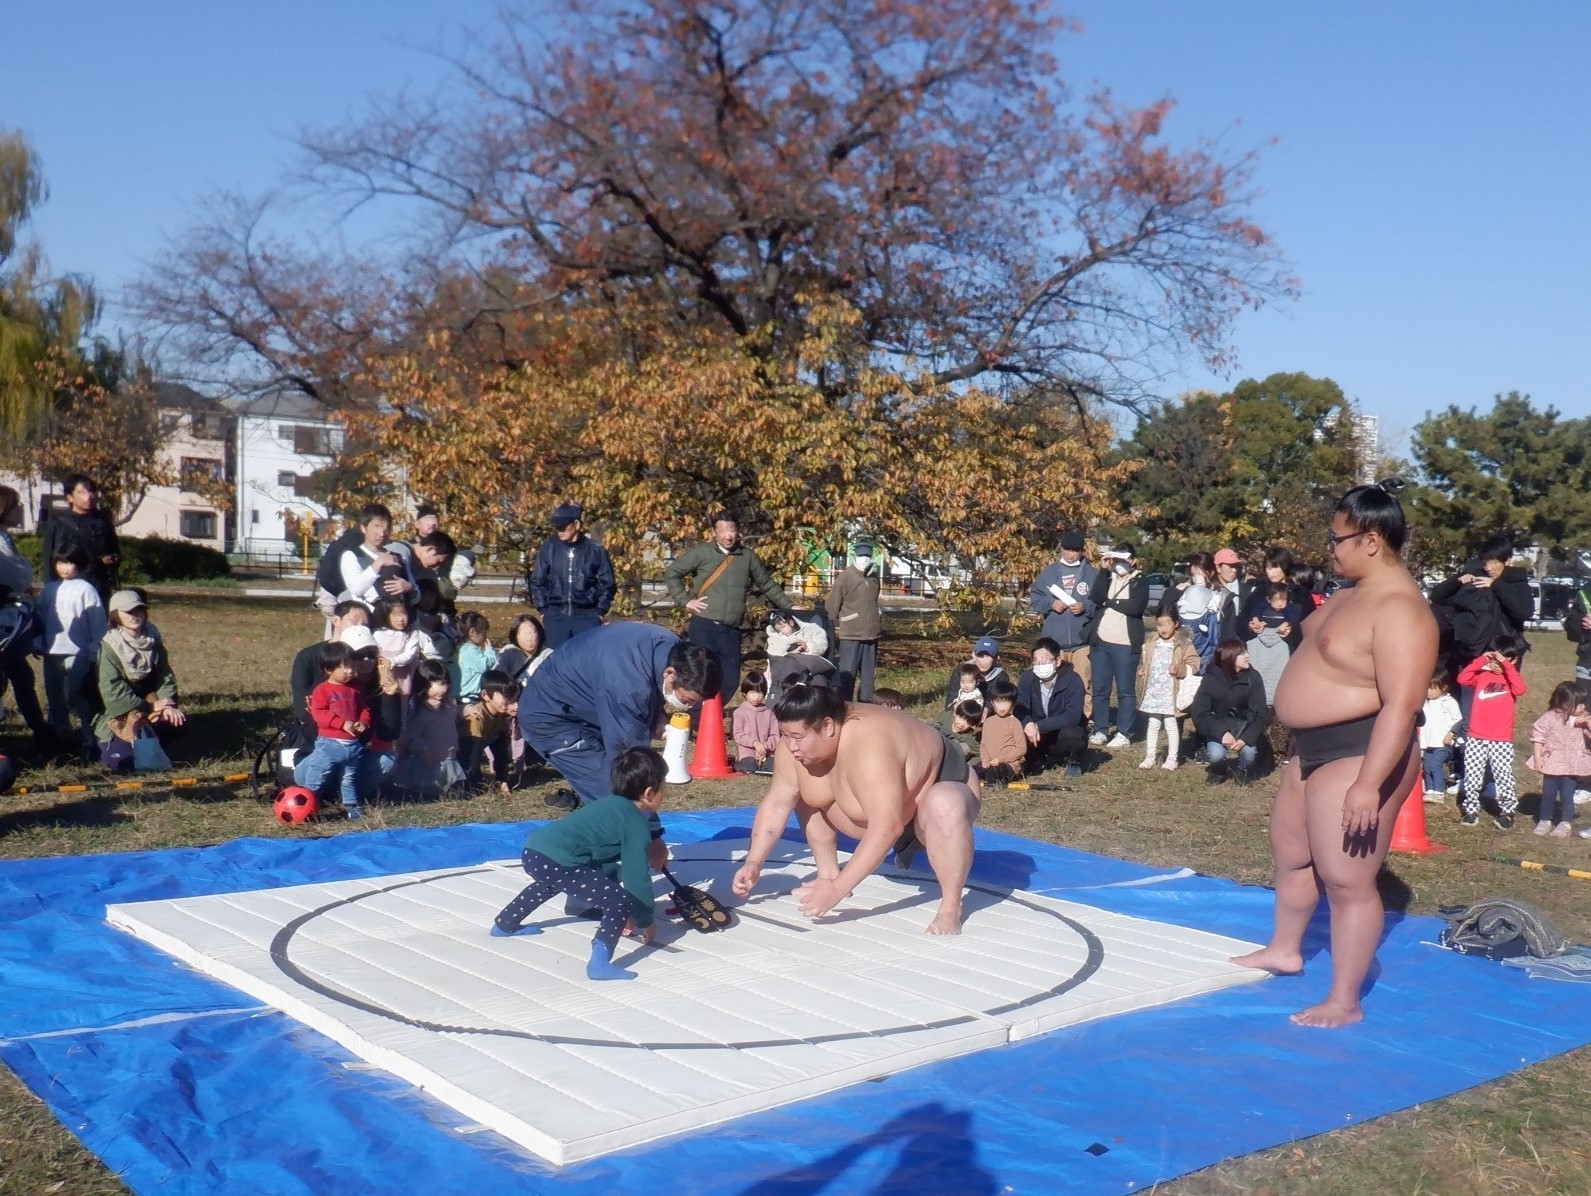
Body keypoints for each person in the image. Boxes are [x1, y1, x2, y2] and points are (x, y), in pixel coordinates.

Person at [1232, 480, 1438, 1029]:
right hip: (1310, 749)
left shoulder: (1402, 609)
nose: (1329, 546)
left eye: (1337, 537)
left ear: (1370, 540)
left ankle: (1344, 1000)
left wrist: (1369, 784)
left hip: (1360, 748)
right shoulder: (1348, 593)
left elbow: (1401, 705)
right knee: (1293, 856)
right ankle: (1284, 949)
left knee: (1347, 881)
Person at [731, 675, 981, 935]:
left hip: (938, 785)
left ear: (827, 726)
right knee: (806, 787)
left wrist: (837, 891)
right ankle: (826, 874)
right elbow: (778, 803)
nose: (791, 746)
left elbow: (888, 826)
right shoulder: (794, 745)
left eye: (798, 737)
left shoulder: (871, 745)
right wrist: (754, 862)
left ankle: (951, 907)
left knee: (944, 803)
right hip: (877, 808)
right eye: (785, 735)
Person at [517, 620, 720, 836]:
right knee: (613, 791)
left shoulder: (669, 646)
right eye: (687, 699)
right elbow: (630, 762)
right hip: (551, 717)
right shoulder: (629, 687)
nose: (690, 706)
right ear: (670, 674)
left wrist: (657, 714)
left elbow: (648, 682)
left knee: (622, 797)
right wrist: (651, 833)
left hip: (587, 701)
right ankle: (605, 854)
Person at [492, 746, 668, 980]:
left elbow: (601, 859)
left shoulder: (608, 805)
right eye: (663, 788)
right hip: (559, 860)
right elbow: (637, 877)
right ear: (648, 793)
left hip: (535, 851)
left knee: (552, 881)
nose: (665, 794)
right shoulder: (636, 823)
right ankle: (599, 964)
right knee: (619, 901)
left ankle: (505, 924)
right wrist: (645, 919)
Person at [664, 511, 793, 701]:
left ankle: (711, 715)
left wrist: (790, 606)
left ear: (737, 531)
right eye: (722, 531)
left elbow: (766, 584)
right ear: (714, 532)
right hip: (704, 624)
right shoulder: (702, 553)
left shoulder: (747, 556)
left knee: (730, 679)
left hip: (731, 629)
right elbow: (672, 572)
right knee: (701, 676)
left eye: (731, 530)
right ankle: (697, 719)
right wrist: (685, 600)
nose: (728, 535)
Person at [95, 591, 186, 771]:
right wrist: (148, 707)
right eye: (129, 612)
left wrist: (167, 705)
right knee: (120, 763)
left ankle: (153, 742)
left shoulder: (153, 638)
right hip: (119, 712)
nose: (136, 616)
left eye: (139, 611)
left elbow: (165, 676)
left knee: (177, 722)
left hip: (152, 702)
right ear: (116, 614)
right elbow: (112, 690)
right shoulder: (108, 645)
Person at [0, 484, 53, 755]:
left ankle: (42, 734)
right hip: (2, 622)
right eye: (16, 504)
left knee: (21, 675)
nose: (20, 509)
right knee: (15, 676)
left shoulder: (6, 539)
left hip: (10, 622)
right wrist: (10, 592)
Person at [40, 546, 106, 759]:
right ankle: (60, 735)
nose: (64, 568)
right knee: (54, 694)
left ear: (79, 565)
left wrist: (94, 647)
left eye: (69, 563)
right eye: (60, 563)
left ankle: (90, 738)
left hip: (79, 651)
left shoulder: (86, 589)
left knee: (78, 692)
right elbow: (40, 618)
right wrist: (37, 642)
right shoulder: (50, 589)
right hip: (52, 651)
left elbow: (97, 622)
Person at [1455, 634, 1527, 828]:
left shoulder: (1512, 679)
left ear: (1513, 660)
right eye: (1495, 659)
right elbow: (1462, 678)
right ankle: (1470, 810)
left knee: (1503, 774)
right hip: (1476, 735)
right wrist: (1482, 661)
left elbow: (1520, 689)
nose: (1497, 664)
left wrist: (1508, 667)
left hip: (1500, 738)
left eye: (1502, 660)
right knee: (1472, 774)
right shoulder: (1482, 676)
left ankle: (1507, 811)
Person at [294, 641, 369, 817]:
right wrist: (341, 723)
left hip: (352, 745)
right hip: (330, 744)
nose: (349, 671)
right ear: (329, 670)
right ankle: (308, 804)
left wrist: (363, 722)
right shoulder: (322, 690)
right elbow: (319, 713)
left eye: (351, 666)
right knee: (317, 775)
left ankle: (350, 806)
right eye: (343, 667)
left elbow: (364, 709)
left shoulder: (354, 690)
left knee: (348, 777)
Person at [1028, 530, 1099, 718]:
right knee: (1053, 681)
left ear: (1082, 551)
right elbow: (1035, 598)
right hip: (1054, 641)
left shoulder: (1092, 574)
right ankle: (1054, 716)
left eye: (1076, 550)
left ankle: (1085, 720)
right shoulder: (1049, 573)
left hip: (1082, 642)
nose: (1071, 554)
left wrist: (1085, 607)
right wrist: (1050, 604)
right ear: (1061, 549)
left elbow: (1100, 603)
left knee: (1083, 683)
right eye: (1067, 549)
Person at [528, 503, 616, 648]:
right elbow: (537, 580)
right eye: (556, 527)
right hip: (556, 615)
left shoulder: (595, 550)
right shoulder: (549, 547)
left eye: (563, 526)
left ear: (576, 524)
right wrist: (543, 609)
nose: (559, 531)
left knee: (584, 659)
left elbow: (607, 583)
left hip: (586, 615)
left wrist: (599, 611)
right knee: (555, 659)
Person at [1089, 542, 1149, 748]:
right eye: (1116, 560)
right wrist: (1103, 570)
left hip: (1125, 644)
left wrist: (1110, 602)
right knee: (1100, 689)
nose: (1119, 564)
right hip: (1101, 643)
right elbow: (1096, 597)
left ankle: (1124, 732)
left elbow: (1135, 606)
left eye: (1123, 560)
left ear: (1132, 561)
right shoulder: (1108, 576)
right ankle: (1100, 729)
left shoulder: (1139, 580)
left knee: (1125, 690)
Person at [291, 600, 372, 743]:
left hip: (354, 734)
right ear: (336, 621)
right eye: (354, 622)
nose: (359, 629)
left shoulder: (366, 659)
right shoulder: (309, 656)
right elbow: (301, 703)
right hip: (317, 732)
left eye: (364, 625)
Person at [1189, 639, 1267, 784]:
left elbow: (1261, 712)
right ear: (1229, 657)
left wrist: (1246, 738)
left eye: (1246, 651)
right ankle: (1219, 770)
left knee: (1249, 753)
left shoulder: (1253, 677)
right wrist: (1221, 733)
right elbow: (1199, 713)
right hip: (1220, 724)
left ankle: (1242, 770)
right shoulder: (1210, 679)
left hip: (1245, 726)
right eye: (1242, 653)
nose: (1247, 656)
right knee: (1215, 754)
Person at [389, 658, 465, 798]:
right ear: (423, 685)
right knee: (427, 790)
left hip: (448, 757)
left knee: (455, 789)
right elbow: (413, 734)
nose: (442, 689)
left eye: (444, 683)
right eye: (435, 684)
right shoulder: (421, 710)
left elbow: (456, 713)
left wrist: (467, 709)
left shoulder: (448, 706)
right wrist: (424, 750)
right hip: (429, 760)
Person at [41, 474, 120, 601]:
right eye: (81, 492)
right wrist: (50, 589)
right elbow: (48, 559)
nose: (88, 496)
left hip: (98, 586)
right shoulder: (59, 524)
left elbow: (115, 550)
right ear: (70, 497)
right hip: (68, 586)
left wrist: (111, 559)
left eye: (91, 491)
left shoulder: (103, 521)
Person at [1016, 638, 1088, 777]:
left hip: (1061, 731)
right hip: (1036, 733)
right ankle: (1035, 759)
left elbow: (1073, 715)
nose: (1040, 664)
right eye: (1036, 660)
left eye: (1045, 660)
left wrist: (1040, 726)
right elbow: (1020, 705)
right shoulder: (1027, 677)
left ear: (1058, 661)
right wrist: (1028, 723)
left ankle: (1073, 761)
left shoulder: (1072, 680)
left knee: (1073, 734)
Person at [1138, 609, 1199, 771]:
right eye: (1159, 625)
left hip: (1171, 690)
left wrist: (1180, 669)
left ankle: (1173, 757)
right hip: (1153, 689)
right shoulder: (1152, 641)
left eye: (1167, 624)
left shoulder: (1183, 643)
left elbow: (1194, 664)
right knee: (1153, 722)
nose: (1163, 629)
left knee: (1171, 723)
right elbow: (1146, 660)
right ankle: (1150, 756)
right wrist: (1142, 669)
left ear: (1176, 624)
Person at [1528, 681, 1591, 837]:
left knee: (1567, 795)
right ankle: (1544, 820)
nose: (1584, 706)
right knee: (1548, 794)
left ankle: (1565, 822)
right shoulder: (1549, 717)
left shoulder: (1583, 720)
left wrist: (1588, 723)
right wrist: (1537, 759)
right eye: (1580, 703)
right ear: (1565, 704)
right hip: (1553, 763)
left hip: (1572, 765)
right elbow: (1538, 738)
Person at [372, 598, 440, 732]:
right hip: (384, 678)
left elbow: (408, 656)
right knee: (384, 706)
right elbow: (376, 654)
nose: (401, 619)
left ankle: (402, 737)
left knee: (404, 709)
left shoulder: (412, 634)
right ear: (386, 616)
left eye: (404, 614)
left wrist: (391, 661)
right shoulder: (379, 634)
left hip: (404, 678)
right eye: (395, 615)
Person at [827, 540, 883, 702]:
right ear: (854, 557)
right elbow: (832, 605)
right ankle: (844, 704)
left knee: (868, 677)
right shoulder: (845, 577)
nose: (865, 558)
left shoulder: (873, 576)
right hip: (851, 634)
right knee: (847, 674)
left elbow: (874, 599)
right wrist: (834, 624)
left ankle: (866, 705)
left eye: (867, 555)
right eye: (861, 555)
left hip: (871, 635)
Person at [459, 669, 517, 794]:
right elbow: (471, 757)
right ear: (485, 695)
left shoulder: (500, 714)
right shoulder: (476, 716)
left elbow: (501, 753)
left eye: (511, 698)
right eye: (505, 697)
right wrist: (475, 785)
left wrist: (502, 779)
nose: (511, 702)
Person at [1244, 583, 1300, 708]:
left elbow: (1292, 616)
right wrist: (1256, 621)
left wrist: (1286, 624)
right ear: (1269, 600)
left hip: (1278, 642)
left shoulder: (1289, 609)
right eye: (1276, 601)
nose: (1280, 604)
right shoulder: (1262, 606)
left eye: (1283, 600)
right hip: (1263, 640)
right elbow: (1255, 613)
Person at [765, 609, 832, 691]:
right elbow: (773, 652)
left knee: (819, 682)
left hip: (809, 667)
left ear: (791, 622)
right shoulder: (777, 637)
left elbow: (822, 645)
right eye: (779, 630)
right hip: (788, 669)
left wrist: (808, 647)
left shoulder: (811, 629)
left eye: (783, 627)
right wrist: (789, 653)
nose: (782, 632)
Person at [1419, 673, 1462, 801]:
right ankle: (1430, 789)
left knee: (1436, 764)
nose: (1428, 692)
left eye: (1432, 688)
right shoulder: (1424, 702)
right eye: (1426, 687)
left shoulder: (1448, 702)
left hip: (1442, 742)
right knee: (1427, 765)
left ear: (1443, 688)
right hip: (1427, 742)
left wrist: (1451, 734)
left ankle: (1438, 791)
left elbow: (1458, 720)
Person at [975, 678, 1026, 784]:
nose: (1002, 706)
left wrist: (1001, 759)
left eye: (1006, 701)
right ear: (992, 703)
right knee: (972, 772)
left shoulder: (1014, 723)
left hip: (1008, 764)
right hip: (989, 762)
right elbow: (984, 744)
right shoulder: (988, 721)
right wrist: (985, 759)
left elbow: (1021, 749)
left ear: (1013, 703)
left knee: (992, 775)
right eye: (998, 701)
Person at [942, 636, 1007, 708]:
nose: (983, 661)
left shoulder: (1001, 677)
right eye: (980, 656)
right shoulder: (961, 672)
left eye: (988, 656)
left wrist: (987, 709)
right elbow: (950, 700)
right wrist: (957, 706)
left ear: (996, 658)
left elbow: (1001, 702)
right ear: (974, 656)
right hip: (960, 710)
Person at [733, 676, 778, 774]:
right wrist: (754, 743)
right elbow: (738, 735)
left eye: (760, 693)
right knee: (750, 766)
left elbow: (775, 736)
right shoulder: (739, 712)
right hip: (747, 753)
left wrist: (764, 747)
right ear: (745, 693)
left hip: (766, 753)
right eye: (753, 693)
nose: (757, 697)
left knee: (775, 766)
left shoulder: (769, 713)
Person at [452, 611, 498, 703]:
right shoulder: (469, 651)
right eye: (484, 631)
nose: (486, 636)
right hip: (468, 698)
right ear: (473, 632)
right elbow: (484, 666)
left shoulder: (463, 648)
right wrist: (489, 650)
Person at [1212, 548, 1252, 642]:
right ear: (1218, 568)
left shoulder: (1247, 591)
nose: (1234, 570)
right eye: (1230, 566)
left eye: (1236, 566)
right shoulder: (1209, 591)